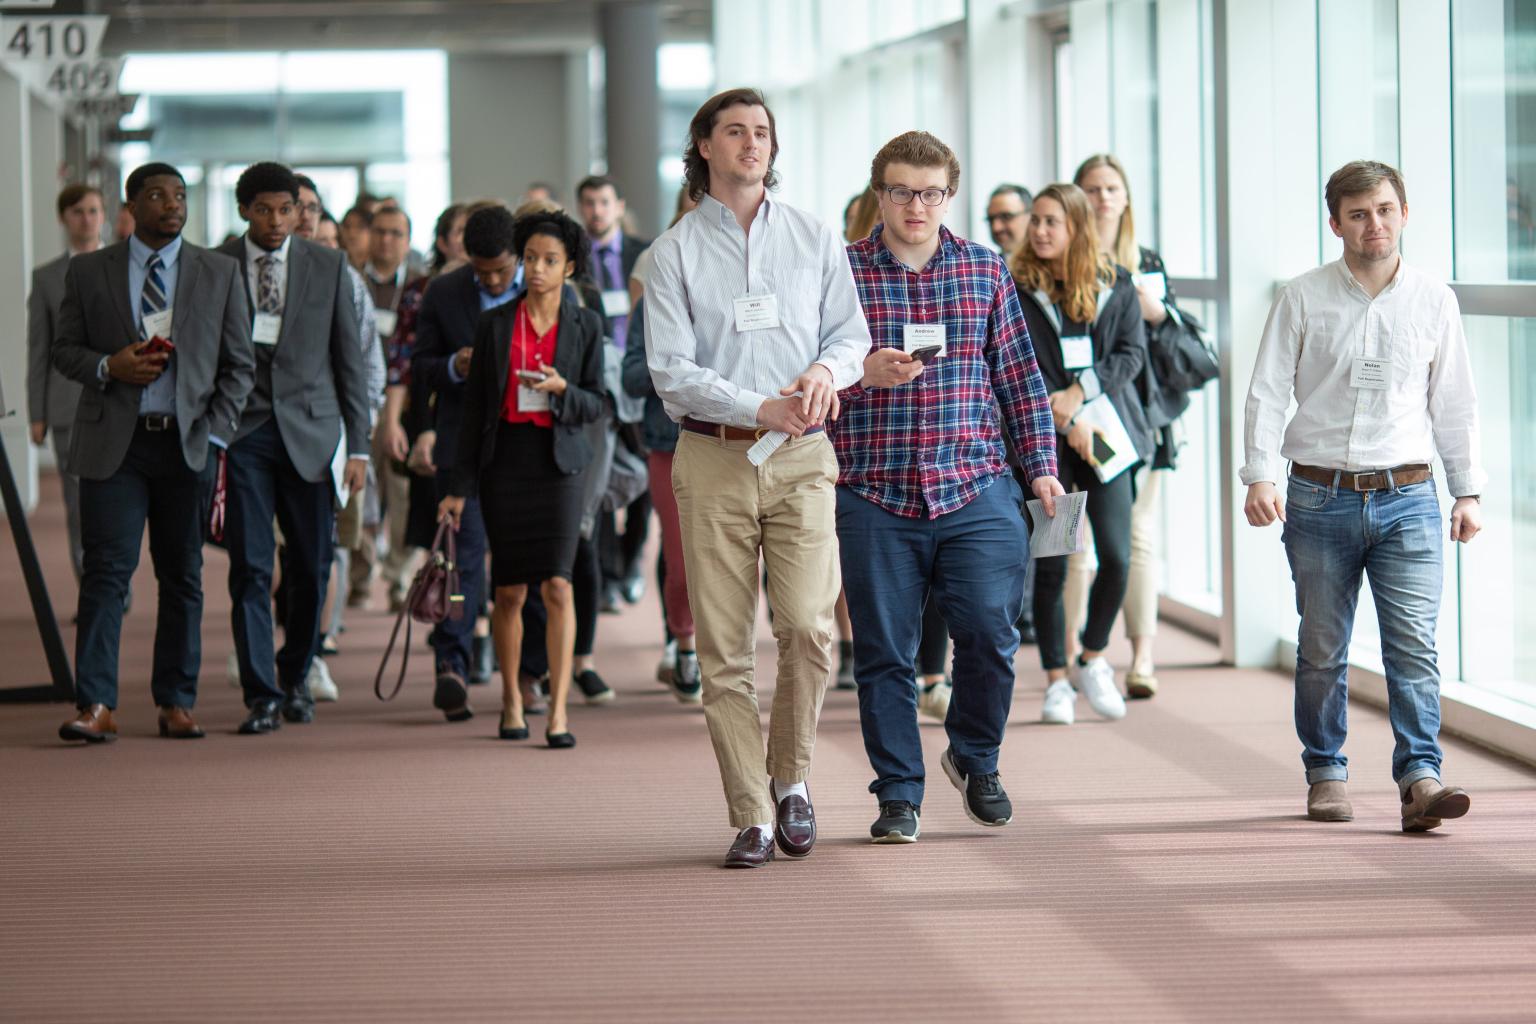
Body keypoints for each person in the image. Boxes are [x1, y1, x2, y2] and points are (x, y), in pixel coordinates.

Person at [645, 87, 872, 868]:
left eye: (763, 132)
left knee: (810, 627)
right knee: (724, 650)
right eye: (735, 131)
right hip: (712, 458)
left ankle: (792, 778)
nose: (752, 143)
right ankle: (750, 812)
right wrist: (758, 405)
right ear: (703, 147)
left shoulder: (813, 236)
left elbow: (850, 336)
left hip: (804, 456)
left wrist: (821, 371)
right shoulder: (672, 253)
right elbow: (671, 374)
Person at [834, 132, 1062, 843]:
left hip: (977, 485)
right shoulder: (840, 276)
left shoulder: (984, 271)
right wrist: (858, 371)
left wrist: (1043, 467)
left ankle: (975, 756)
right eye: (901, 190)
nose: (915, 205)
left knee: (993, 636)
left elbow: (1020, 380)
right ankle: (899, 792)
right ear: (881, 194)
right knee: (885, 653)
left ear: (947, 196)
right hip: (875, 490)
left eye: (930, 192)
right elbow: (810, 374)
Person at [1242, 160, 1483, 832]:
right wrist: (1258, 474)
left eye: (1383, 209)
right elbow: (1266, 391)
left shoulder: (1435, 299)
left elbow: (1456, 403)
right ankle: (1326, 771)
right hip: (1319, 499)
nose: (1372, 224)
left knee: (1414, 647)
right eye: (1357, 213)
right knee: (1323, 645)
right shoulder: (1302, 296)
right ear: (1336, 222)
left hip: (1410, 497)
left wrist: (1468, 492)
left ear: (1404, 213)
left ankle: (1419, 779)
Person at [52, 163, 255, 742]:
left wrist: (215, 434)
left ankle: (175, 701)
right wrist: (106, 366)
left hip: (186, 445)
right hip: (115, 444)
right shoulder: (90, 272)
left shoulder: (218, 272)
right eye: (158, 196)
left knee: (182, 575)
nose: (172, 204)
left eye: (180, 196)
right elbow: (65, 349)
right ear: (132, 204)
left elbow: (239, 368)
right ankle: (95, 703)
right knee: (106, 575)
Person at [439, 210, 606, 748]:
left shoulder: (585, 325)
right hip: (504, 462)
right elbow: (473, 414)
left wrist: (561, 389)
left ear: (570, 267)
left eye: (549, 261)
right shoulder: (495, 324)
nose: (536, 269)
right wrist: (457, 488)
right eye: (530, 258)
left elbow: (597, 403)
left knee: (558, 585)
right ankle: (512, 699)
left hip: (559, 465)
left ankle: (557, 710)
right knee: (508, 591)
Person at [215, 163, 371, 734]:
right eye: (265, 210)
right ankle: (261, 694)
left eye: (289, 209)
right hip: (244, 434)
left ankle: (297, 675)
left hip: (312, 433)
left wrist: (360, 448)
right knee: (251, 568)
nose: (278, 221)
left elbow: (349, 363)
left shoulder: (328, 265)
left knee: (311, 564)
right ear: (244, 211)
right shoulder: (216, 264)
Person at [1011, 183, 1152, 727]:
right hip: (1048, 445)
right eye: (1037, 221)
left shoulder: (1114, 283)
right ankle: (1055, 680)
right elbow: (1014, 362)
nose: (1040, 231)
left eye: (1052, 222)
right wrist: (1061, 415)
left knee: (1116, 555)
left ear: (1077, 228)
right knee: (1052, 564)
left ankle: (1093, 657)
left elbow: (1131, 355)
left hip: (1108, 439)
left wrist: (1082, 394)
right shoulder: (1018, 287)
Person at [1059, 153, 1196, 698]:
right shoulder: (1062, 262)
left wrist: (1154, 311)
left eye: (1112, 187)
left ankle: (1140, 656)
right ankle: (1069, 655)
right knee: (1070, 542)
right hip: (1076, 418)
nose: (1103, 198)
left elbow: (1168, 343)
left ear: (1126, 196)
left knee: (1136, 539)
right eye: (1092, 188)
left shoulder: (1147, 261)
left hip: (1138, 423)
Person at [410, 203, 516, 721]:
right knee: (462, 559)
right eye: (482, 271)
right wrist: (455, 364)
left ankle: (531, 674)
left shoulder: (543, 289)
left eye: (502, 270)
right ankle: (451, 665)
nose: (493, 280)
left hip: (527, 449)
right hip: (464, 447)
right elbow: (420, 368)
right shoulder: (444, 292)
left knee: (523, 566)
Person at [577, 174, 654, 612]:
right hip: (601, 384)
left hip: (641, 376)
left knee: (644, 477)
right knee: (602, 475)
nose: (597, 211)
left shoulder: (642, 253)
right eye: (588, 203)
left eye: (604, 202)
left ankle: (630, 562)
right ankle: (606, 576)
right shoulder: (576, 260)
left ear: (618, 206)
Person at [28, 184, 106, 586]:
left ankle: (113, 577)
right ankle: (91, 582)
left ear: (104, 216)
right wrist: (36, 414)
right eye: (78, 211)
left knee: (119, 499)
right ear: (63, 218)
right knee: (78, 501)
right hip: (67, 406)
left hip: (122, 402)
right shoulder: (46, 279)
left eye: (94, 210)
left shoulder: (128, 265)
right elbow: (38, 349)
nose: (87, 219)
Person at [354, 205, 422, 611]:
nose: (386, 240)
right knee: (361, 492)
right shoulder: (352, 281)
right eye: (379, 232)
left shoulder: (417, 287)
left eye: (396, 233)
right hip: (361, 404)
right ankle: (362, 575)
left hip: (403, 406)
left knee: (402, 495)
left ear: (408, 241)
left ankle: (398, 577)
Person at [986, 184, 1032, 255]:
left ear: (1031, 217)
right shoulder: (989, 264)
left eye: (1006, 217)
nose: (996, 228)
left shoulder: (1051, 264)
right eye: (991, 219)